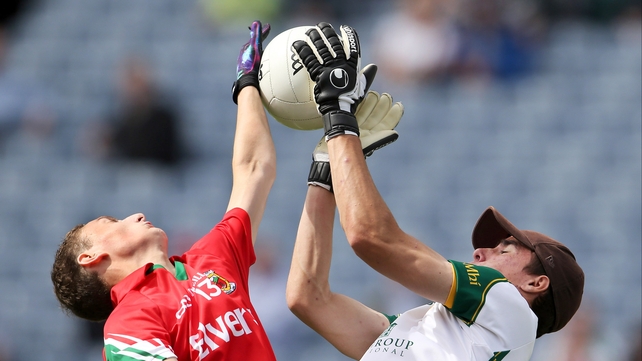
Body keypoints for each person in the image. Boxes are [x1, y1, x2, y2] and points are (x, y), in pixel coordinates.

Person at [286, 22, 585, 360]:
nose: (479, 253)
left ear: (535, 284)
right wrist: (327, 171)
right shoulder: (426, 328)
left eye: (504, 250)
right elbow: (308, 298)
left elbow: (370, 237)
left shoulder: (510, 307)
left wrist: (339, 116)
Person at [51, 21, 278, 361]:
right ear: (90, 258)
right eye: (111, 221)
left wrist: (246, 83)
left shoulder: (210, 258)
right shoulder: (128, 325)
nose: (136, 215)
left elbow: (253, 170)